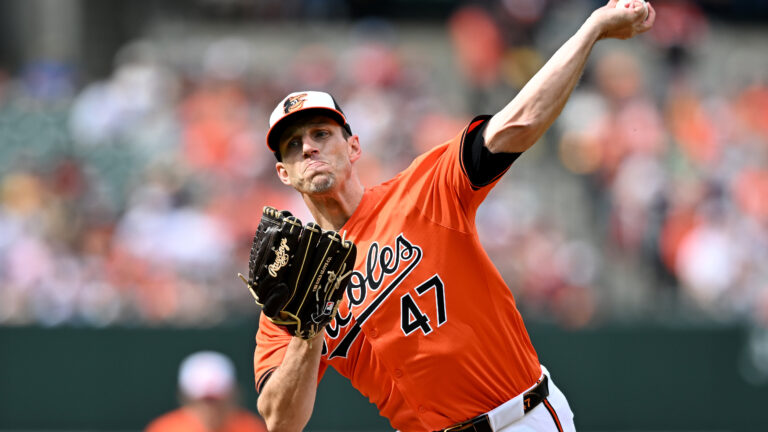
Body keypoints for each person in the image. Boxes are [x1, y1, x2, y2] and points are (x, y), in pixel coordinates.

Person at [253, 1, 655, 431]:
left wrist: (591, 29)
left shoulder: (424, 190)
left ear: (353, 147)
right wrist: (309, 326)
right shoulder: (290, 295)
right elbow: (281, 421)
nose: (309, 148)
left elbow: (519, 122)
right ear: (283, 172)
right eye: (293, 145)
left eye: (321, 134)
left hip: (518, 419)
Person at [146, 351, 267, 432]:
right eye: (203, 400)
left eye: (216, 400)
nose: (210, 408)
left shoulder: (252, 427)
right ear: (185, 397)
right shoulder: (164, 428)